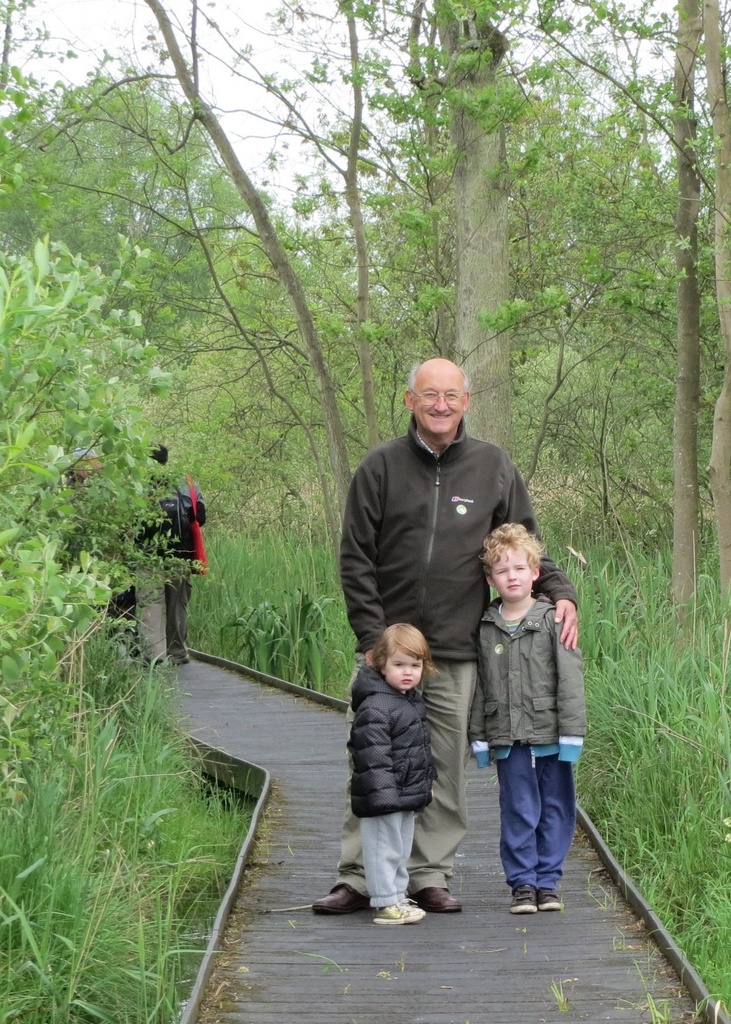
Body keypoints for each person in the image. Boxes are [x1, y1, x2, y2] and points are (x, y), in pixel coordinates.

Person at [312, 357, 579, 916]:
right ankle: (358, 876)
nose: (440, 404)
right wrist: (372, 636)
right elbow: (355, 558)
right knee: (373, 759)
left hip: (458, 650)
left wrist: (561, 593)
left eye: (451, 395)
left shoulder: (493, 467)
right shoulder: (380, 467)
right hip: (386, 652)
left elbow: (526, 545)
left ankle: (428, 873)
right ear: (410, 400)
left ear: (466, 400)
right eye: (429, 394)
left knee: (445, 766)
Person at [469, 524, 586, 914]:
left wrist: (572, 734)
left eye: (520, 568)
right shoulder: (486, 625)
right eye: (502, 571)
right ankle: (522, 883)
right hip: (507, 737)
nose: (512, 576)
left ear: (536, 573)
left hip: (550, 733)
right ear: (490, 579)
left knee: (556, 805)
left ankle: (548, 881)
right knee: (518, 808)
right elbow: (481, 685)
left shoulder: (553, 619)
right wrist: (480, 737)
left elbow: (570, 680)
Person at [348, 624, 438, 925]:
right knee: (382, 849)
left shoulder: (409, 700)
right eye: (399, 665)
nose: (408, 672)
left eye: (415, 665)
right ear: (380, 663)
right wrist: (384, 796)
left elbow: (420, 749)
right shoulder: (375, 705)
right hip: (382, 795)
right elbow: (372, 756)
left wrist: (425, 785)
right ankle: (385, 902)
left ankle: (398, 895)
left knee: (400, 849)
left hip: (404, 793)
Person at [136, 445, 207, 665]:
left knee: (150, 603)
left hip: (147, 555)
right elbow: (201, 516)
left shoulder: (136, 484)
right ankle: (177, 652)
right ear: (167, 460)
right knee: (177, 604)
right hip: (180, 554)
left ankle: (154, 655)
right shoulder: (187, 483)